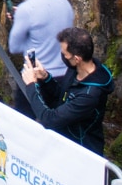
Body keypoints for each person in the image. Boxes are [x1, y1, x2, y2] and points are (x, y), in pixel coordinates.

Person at [19, 26, 113, 154]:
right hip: (63, 142)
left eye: (64, 54)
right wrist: (46, 78)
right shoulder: (75, 69)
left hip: (82, 151)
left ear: (77, 59)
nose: (62, 56)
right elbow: (62, 95)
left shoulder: (90, 95)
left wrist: (31, 85)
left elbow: (49, 120)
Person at [5, 0, 75, 115]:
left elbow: (14, 47)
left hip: (37, 77)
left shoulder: (26, 9)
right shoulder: (65, 3)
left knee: (25, 124)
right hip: (64, 78)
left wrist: (19, 23)